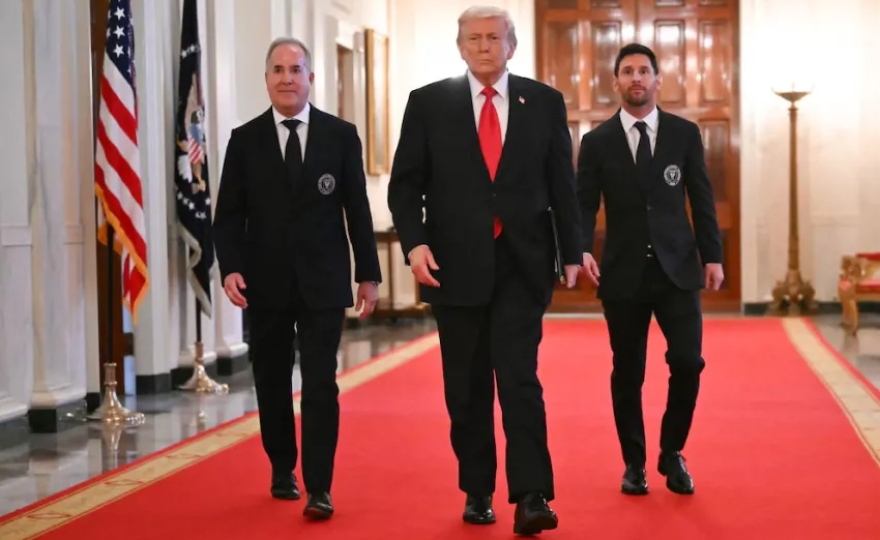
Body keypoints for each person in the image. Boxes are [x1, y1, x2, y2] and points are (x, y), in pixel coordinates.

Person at [387, 5, 582, 536]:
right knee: (467, 387)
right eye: (473, 38)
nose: (483, 47)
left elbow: (562, 184)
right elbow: (405, 185)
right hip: (453, 267)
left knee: (519, 379)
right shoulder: (428, 103)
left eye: (493, 38)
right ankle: (477, 488)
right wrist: (415, 244)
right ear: (460, 47)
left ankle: (533, 495)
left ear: (511, 46)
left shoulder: (544, 102)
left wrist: (572, 250)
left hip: (523, 263)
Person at [213, 37, 381, 520]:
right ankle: (282, 465)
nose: (287, 78)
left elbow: (357, 209)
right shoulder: (244, 140)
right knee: (270, 379)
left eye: (296, 69)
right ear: (267, 78)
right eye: (278, 70)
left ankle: (319, 486)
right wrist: (232, 267)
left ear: (311, 77)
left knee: (321, 382)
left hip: (324, 282)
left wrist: (368, 274)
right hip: (264, 283)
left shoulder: (340, 135)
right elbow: (229, 216)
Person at [577, 43, 724, 497]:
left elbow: (701, 198)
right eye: (628, 71)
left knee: (688, 362)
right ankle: (634, 463)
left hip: (677, 270)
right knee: (628, 371)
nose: (636, 78)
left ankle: (672, 451)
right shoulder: (597, 142)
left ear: (658, 80)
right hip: (623, 274)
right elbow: (583, 205)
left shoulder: (684, 134)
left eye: (644, 71)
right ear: (616, 82)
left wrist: (713, 255)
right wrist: (580, 249)